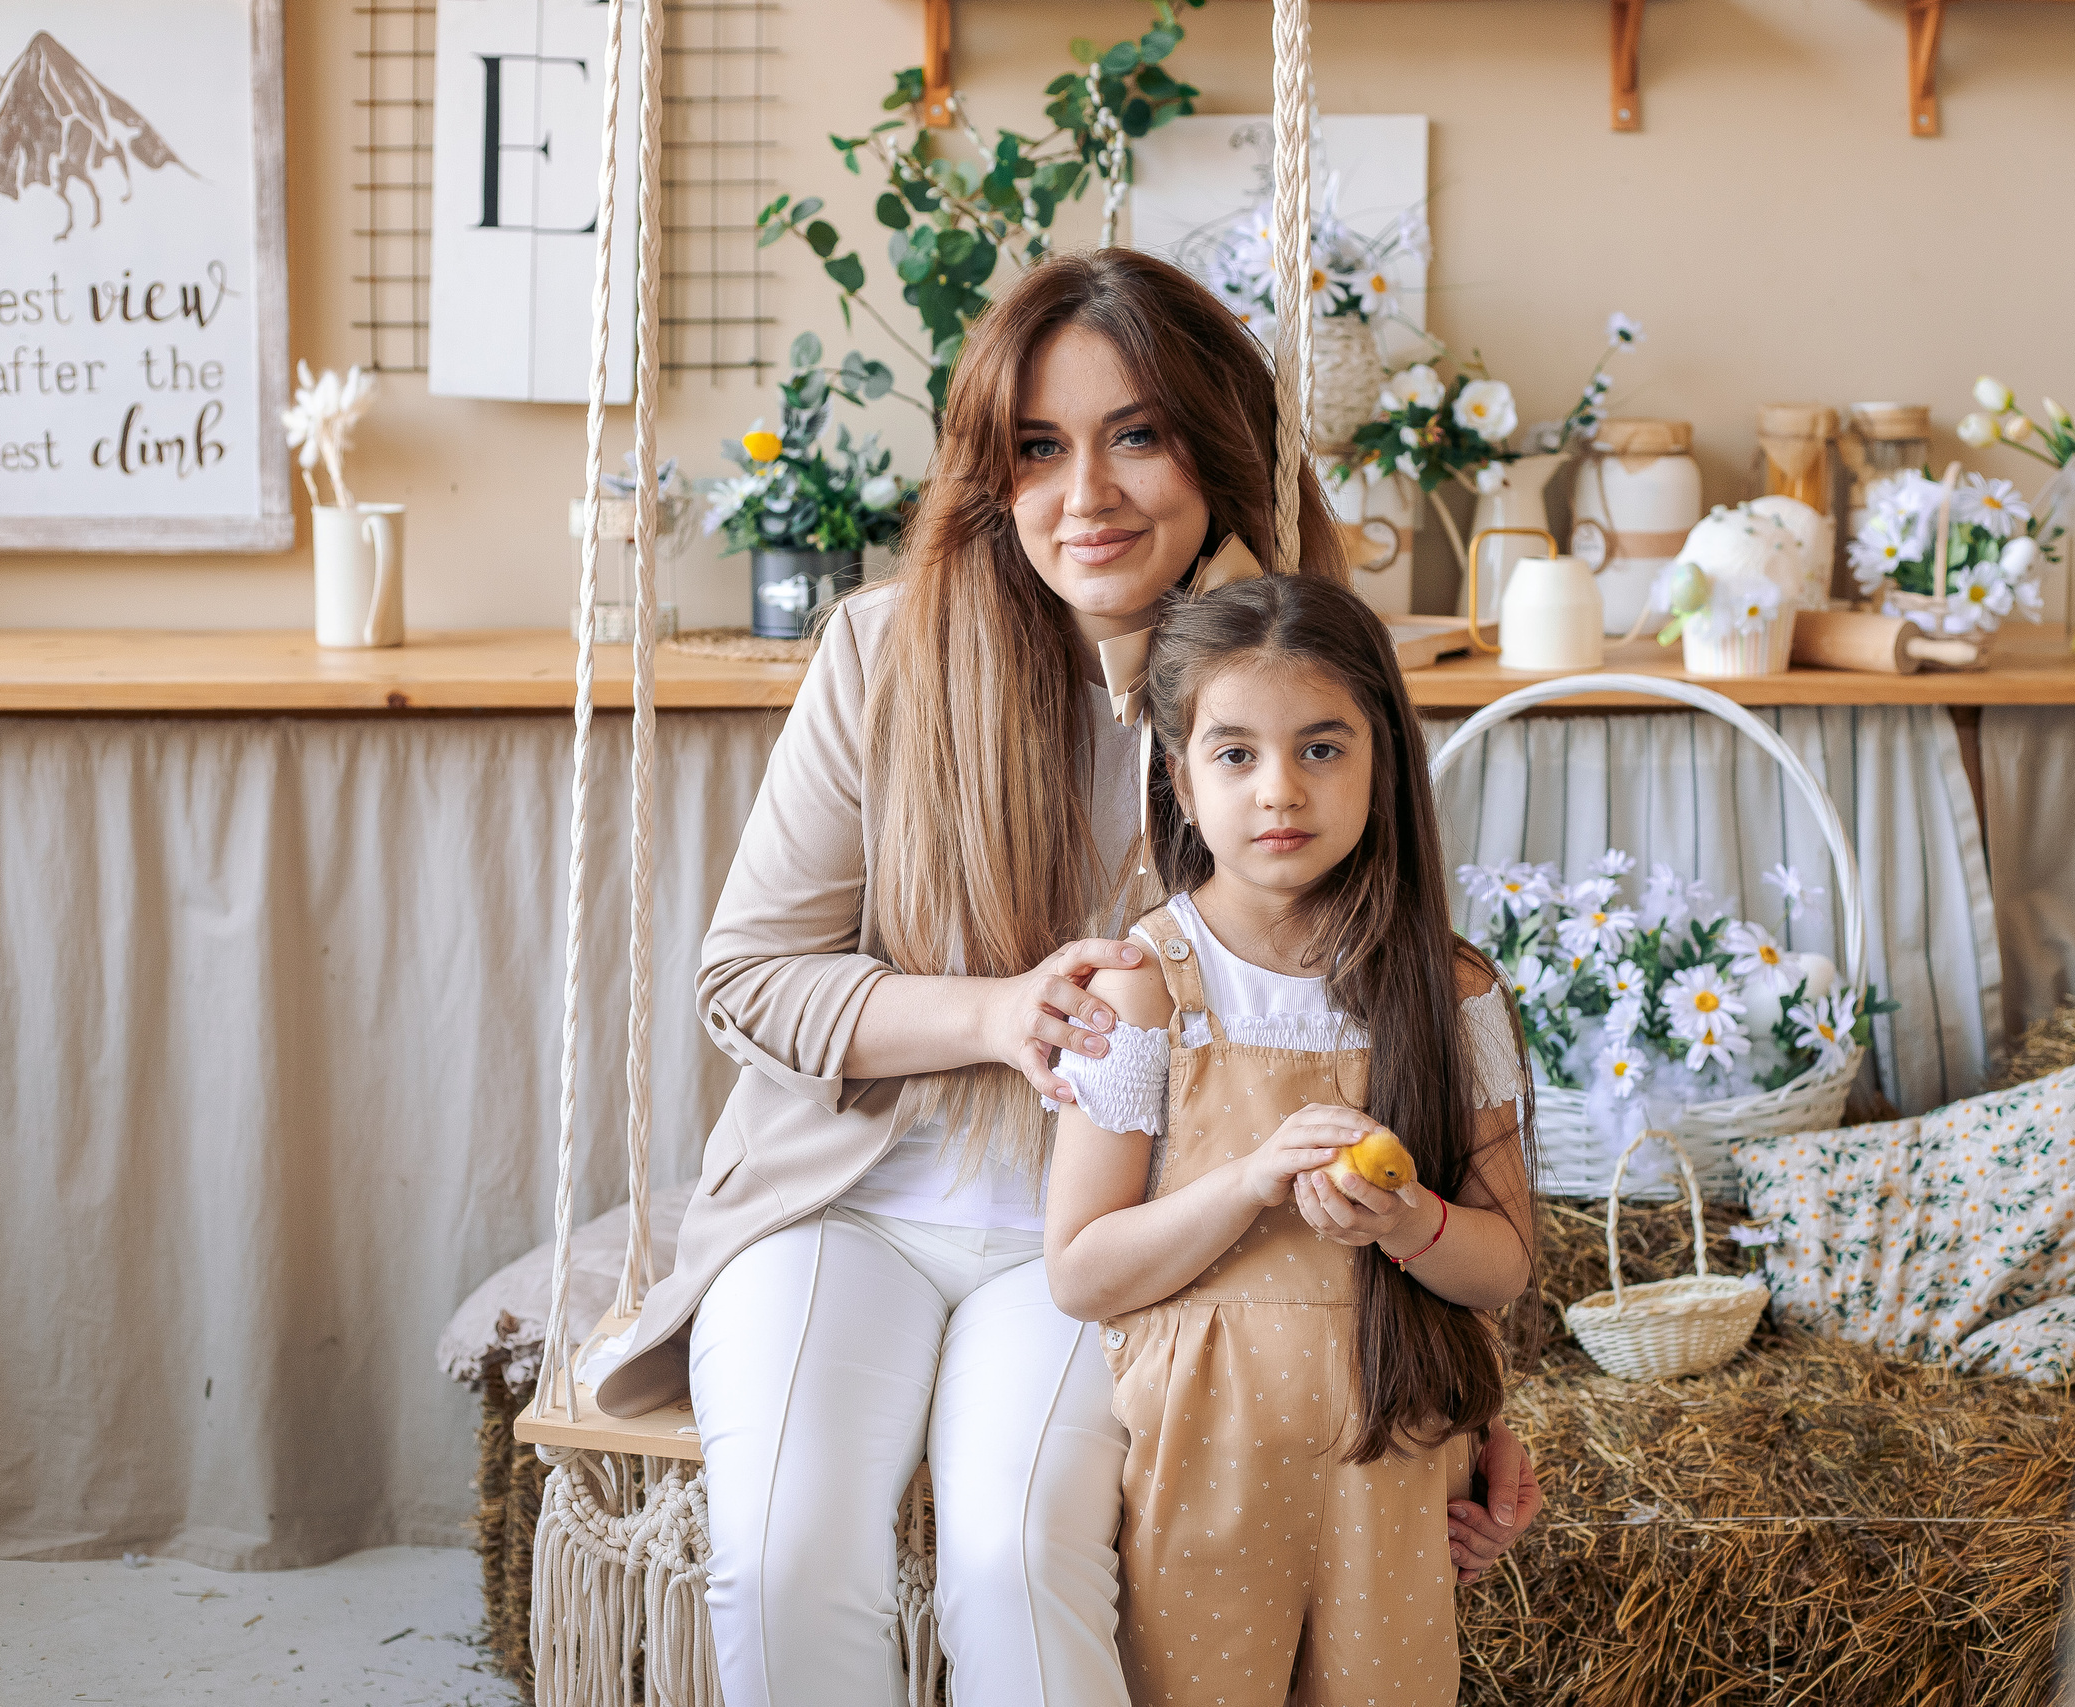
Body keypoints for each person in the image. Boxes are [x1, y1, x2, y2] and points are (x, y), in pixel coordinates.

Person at [590, 248, 1544, 1707]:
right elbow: (747, 977)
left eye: (1138, 435)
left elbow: (1380, 1037)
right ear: (993, 471)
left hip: (1116, 1241)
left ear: (1217, 449)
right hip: (839, 1202)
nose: (1084, 493)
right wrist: (988, 1011)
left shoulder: (1283, 690)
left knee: (1019, 1547)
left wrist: (1464, 1389)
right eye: (1039, 448)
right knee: (786, 1551)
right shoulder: (889, 647)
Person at [1046, 573, 1534, 1706]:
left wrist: (1411, 1220)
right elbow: (1080, 1271)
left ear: (1382, 762)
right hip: (1202, 1464)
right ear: (1179, 777)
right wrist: (1250, 1183)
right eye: (1235, 756)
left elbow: (1501, 1263)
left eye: (1322, 749)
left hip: (1397, 1453)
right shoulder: (1144, 986)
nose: (1280, 791)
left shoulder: (1448, 988)